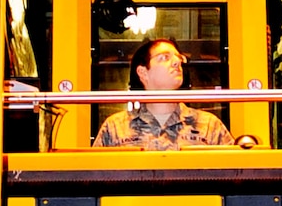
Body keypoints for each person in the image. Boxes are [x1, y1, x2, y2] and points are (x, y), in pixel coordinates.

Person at [93, 39, 234, 149]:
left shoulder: (209, 125)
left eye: (179, 58)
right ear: (143, 72)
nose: (177, 62)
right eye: (165, 57)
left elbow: (236, 172)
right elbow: (94, 173)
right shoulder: (115, 128)